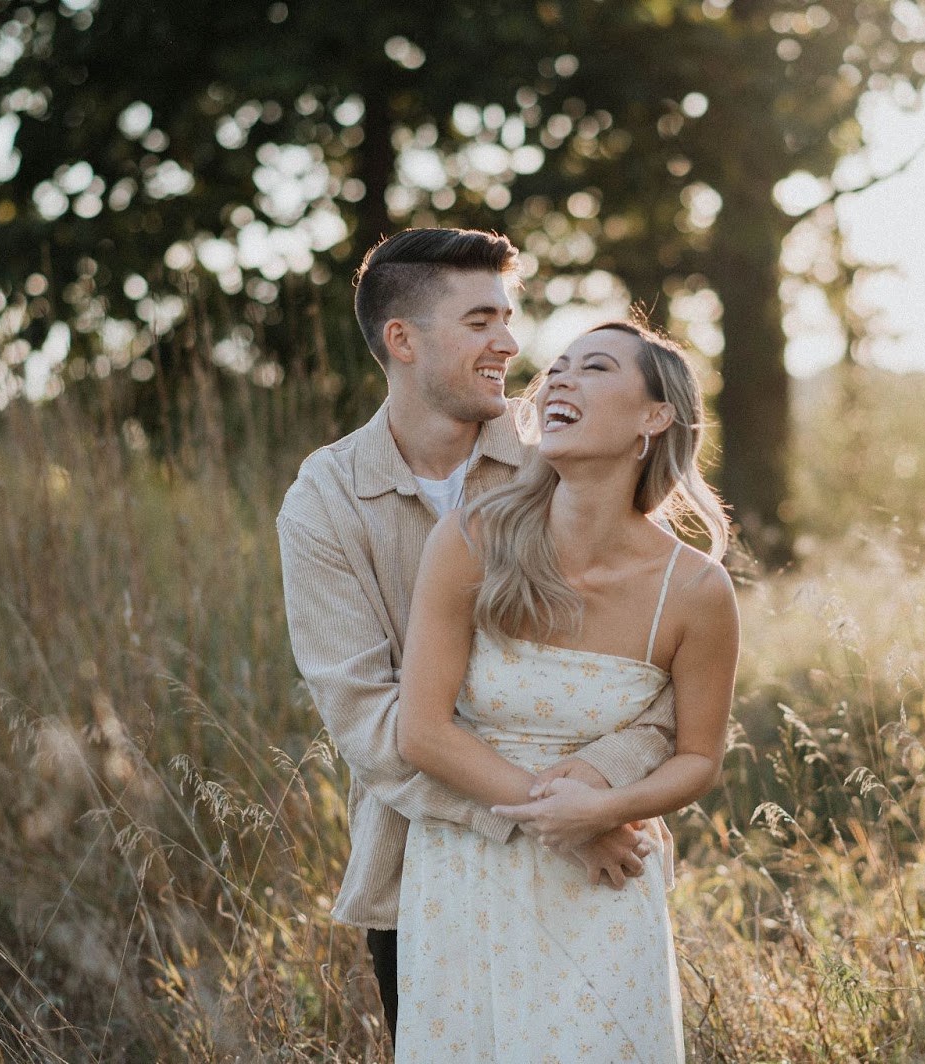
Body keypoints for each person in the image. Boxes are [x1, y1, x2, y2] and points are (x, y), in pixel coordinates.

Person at [276, 229, 677, 1045]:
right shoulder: (325, 502)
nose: (511, 344)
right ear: (403, 340)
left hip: (599, 863)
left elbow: (659, 677)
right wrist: (553, 817)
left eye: (509, 318)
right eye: (481, 321)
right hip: (423, 866)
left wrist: (597, 796)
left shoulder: (566, 452)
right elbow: (371, 723)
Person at [394, 320, 740, 1061]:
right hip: (467, 868)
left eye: (596, 368)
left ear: (653, 418)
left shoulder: (696, 591)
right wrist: (566, 822)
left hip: (609, 881)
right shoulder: (468, 541)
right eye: (559, 369)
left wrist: (607, 811)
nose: (559, 380)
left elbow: (698, 759)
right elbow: (421, 731)